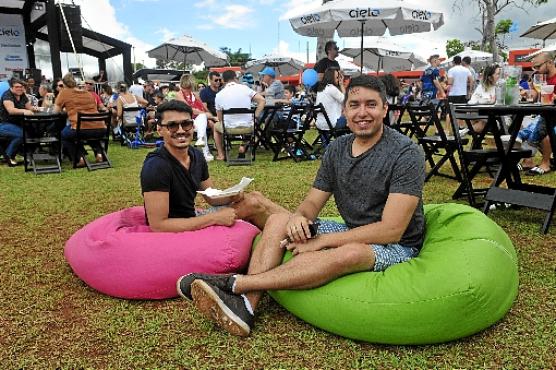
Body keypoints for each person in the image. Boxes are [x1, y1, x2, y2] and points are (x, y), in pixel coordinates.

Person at [178, 75, 426, 337]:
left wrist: (324, 242)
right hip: (355, 227)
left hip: (399, 246)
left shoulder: (405, 153)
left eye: (371, 105)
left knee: (350, 253)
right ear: (345, 109)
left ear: (385, 109)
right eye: (354, 105)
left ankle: (234, 284)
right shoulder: (338, 148)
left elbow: (391, 231)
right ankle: (246, 308)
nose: (362, 113)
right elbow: (312, 201)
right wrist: (299, 217)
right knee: (278, 220)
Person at [140, 99, 288, 233]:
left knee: (256, 196)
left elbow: (211, 197)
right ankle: (291, 232)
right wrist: (214, 218)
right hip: (180, 228)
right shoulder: (156, 166)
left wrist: (231, 195)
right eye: (172, 126)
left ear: (192, 126)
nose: (180, 130)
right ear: (159, 130)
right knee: (253, 204)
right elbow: (158, 225)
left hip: (193, 217)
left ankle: (297, 224)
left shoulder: (196, 155)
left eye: (186, 124)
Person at [53, 73, 106, 167]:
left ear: (64, 84)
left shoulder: (64, 92)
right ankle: (99, 154)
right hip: (100, 128)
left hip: (81, 129)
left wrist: (65, 109)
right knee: (89, 131)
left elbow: (55, 112)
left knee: (64, 135)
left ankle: (80, 158)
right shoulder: (87, 93)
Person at [517, 52, 556, 175]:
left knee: (546, 132)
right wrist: (528, 94)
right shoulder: (538, 76)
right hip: (546, 115)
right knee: (526, 128)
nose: (536, 70)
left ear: (550, 62)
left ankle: (544, 163)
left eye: (538, 66)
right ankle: (528, 160)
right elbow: (534, 94)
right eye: (534, 67)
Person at [213, 70, 265, 161]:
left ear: (223, 81)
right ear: (235, 78)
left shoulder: (219, 95)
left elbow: (220, 118)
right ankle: (243, 145)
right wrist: (255, 116)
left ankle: (221, 155)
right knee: (257, 124)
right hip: (248, 127)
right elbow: (262, 101)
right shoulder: (245, 88)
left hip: (229, 128)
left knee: (215, 127)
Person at [175, 74, 217, 162]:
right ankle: (206, 151)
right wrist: (207, 115)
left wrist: (209, 115)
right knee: (203, 118)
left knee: (204, 120)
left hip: (198, 119)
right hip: (186, 119)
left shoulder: (194, 94)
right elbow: (189, 109)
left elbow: (204, 107)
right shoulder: (179, 94)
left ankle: (201, 139)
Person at [0, 78, 36, 166]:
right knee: (22, 135)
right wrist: (25, 111)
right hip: (4, 124)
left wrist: (35, 108)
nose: (19, 88)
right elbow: (11, 110)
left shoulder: (22, 95)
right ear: (11, 87)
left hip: (17, 124)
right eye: (17, 87)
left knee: (32, 132)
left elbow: (29, 107)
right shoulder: (7, 95)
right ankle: (8, 157)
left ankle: (25, 154)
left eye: (21, 86)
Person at [467, 64, 500, 133]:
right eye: (497, 74)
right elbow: (471, 102)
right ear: (490, 77)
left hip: (497, 119)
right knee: (481, 122)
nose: (499, 76)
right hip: (483, 117)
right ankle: (464, 132)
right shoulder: (481, 87)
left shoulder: (500, 87)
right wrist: (487, 101)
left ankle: (463, 132)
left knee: (482, 124)